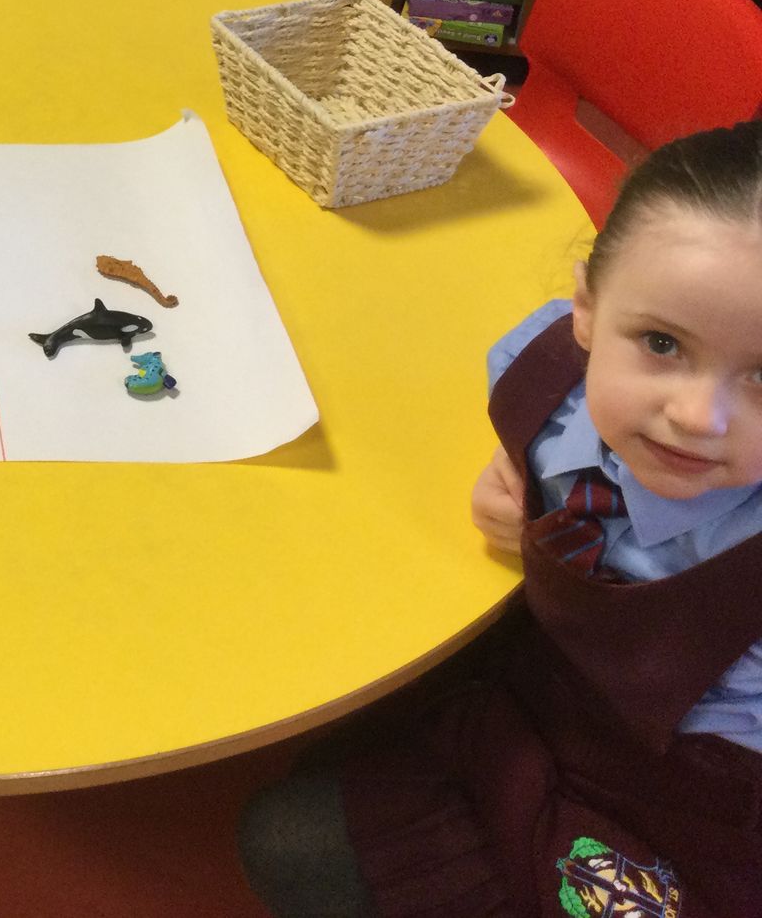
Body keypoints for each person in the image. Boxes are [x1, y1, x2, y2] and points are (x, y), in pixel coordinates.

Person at [239, 121, 762, 918]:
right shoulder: (542, 379)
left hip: (688, 801)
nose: (697, 416)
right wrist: (517, 472)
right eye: (661, 343)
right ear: (586, 310)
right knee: (293, 811)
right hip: (529, 692)